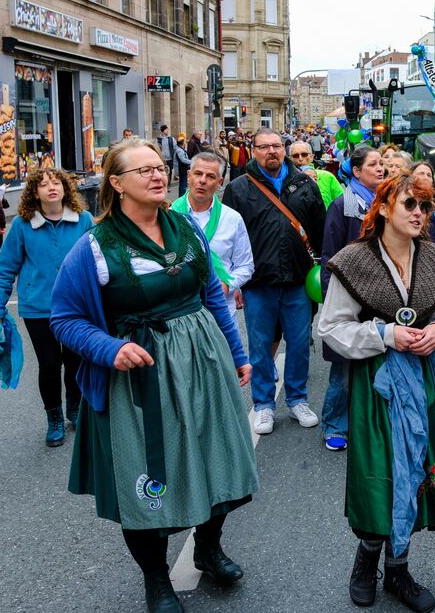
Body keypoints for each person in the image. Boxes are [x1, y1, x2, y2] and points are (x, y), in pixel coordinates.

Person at [51, 138, 256, 613]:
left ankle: (208, 548)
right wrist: (110, 348)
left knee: (217, 459)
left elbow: (211, 294)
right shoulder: (95, 246)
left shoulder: (185, 226)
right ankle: (156, 579)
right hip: (140, 374)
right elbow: (64, 318)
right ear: (117, 184)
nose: (158, 174)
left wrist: (236, 351)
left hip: (202, 362)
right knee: (145, 475)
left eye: (160, 166)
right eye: (143, 170)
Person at [318, 172, 435, 612]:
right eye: (410, 204)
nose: (419, 213)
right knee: (381, 473)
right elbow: (330, 327)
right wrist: (385, 334)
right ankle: (367, 559)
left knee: (420, 467)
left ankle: (398, 569)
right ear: (384, 208)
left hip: (426, 379)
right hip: (377, 385)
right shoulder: (354, 260)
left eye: (426, 205)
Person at [222, 128, 326, 435]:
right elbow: (230, 238)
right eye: (264, 146)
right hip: (258, 282)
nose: (271, 151)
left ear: (284, 149)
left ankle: (297, 399)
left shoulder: (304, 183)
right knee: (259, 346)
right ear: (253, 150)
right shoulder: (238, 188)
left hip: (298, 281)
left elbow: (319, 230)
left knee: (299, 344)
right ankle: (264, 404)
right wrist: (234, 281)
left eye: (276, 146)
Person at [0, 168, 93, 446]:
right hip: (37, 308)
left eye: (56, 182)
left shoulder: (83, 220)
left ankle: (75, 408)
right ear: (35, 193)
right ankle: (54, 418)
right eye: (44, 185)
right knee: (49, 364)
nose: (51, 188)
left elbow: (98, 262)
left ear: (65, 188)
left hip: (76, 307)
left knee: (76, 361)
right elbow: (5, 268)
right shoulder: (23, 225)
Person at [319, 145, 386, 452]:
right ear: (356, 171)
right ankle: (335, 424)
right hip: (348, 296)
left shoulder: (387, 202)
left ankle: (370, 424)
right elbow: (330, 256)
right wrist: (331, 300)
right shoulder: (341, 205)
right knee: (343, 368)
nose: (380, 168)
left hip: (381, 294)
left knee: (377, 360)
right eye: (373, 164)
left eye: (381, 163)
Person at [170, 152, 254, 309]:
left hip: (221, 307)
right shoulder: (170, 216)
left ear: (219, 183)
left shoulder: (232, 219)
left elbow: (245, 266)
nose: (202, 180)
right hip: (182, 309)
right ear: (189, 176)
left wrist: (228, 284)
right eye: (198, 174)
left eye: (210, 176)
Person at [290, 140, 345, 208]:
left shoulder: (327, 176)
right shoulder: (287, 180)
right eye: (295, 156)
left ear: (311, 157)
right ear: (290, 158)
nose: (300, 159)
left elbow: (342, 202)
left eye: (304, 154)